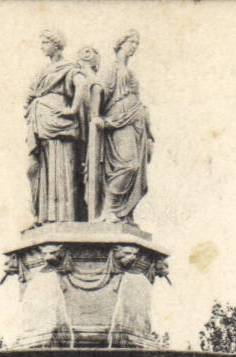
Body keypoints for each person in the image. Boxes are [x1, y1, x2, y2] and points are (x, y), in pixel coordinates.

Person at [26, 30, 96, 225]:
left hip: (59, 123)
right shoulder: (43, 70)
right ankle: (43, 215)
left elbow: (81, 85)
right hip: (40, 122)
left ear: (56, 45)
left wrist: (73, 109)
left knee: (61, 166)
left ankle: (62, 217)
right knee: (38, 168)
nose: (42, 46)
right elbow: (30, 94)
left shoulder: (67, 67)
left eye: (45, 42)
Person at [95, 29, 153, 224]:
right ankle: (109, 209)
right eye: (131, 42)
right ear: (120, 44)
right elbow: (99, 91)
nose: (134, 47)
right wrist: (96, 116)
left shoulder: (130, 72)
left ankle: (124, 213)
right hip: (118, 120)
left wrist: (150, 133)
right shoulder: (112, 68)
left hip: (136, 123)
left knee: (136, 169)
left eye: (136, 44)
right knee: (128, 164)